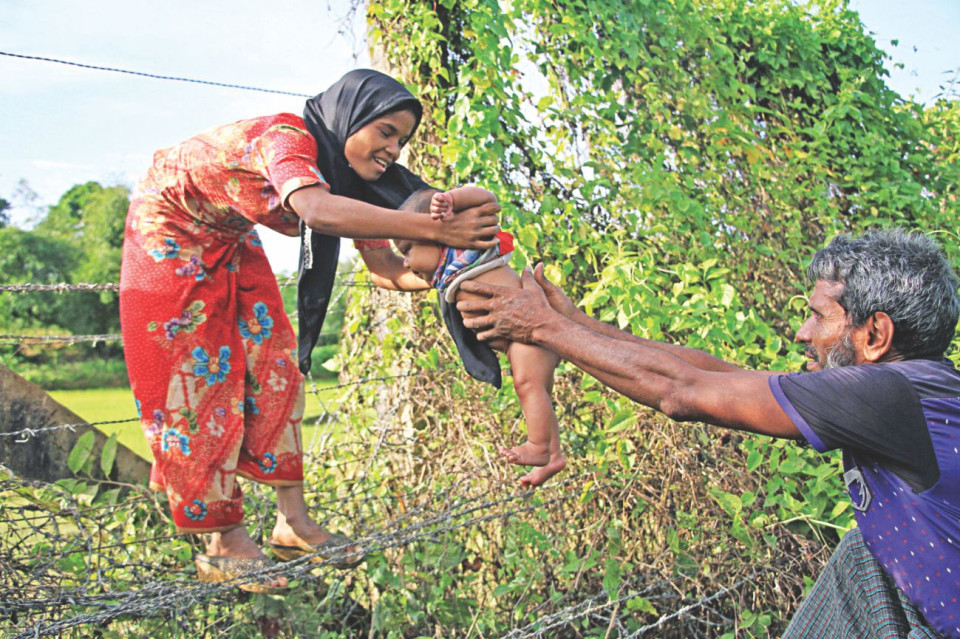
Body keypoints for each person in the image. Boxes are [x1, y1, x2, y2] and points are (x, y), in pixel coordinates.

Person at [456, 228, 960, 639]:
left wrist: (540, 328)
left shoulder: (887, 395)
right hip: (922, 601)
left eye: (818, 316)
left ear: (875, 335)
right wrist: (574, 325)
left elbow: (681, 391)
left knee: (862, 560)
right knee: (861, 557)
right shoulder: (913, 388)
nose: (803, 333)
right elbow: (720, 377)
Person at [119, 69, 500, 592]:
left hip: (229, 234)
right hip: (169, 227)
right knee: (192, 379)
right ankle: (222, 542)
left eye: (403, 141)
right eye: (386, 131)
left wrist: (448, 271)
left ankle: (291, 522)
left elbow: (387, 271)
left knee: (276, 363)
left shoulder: (347, 184)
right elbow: (317, 212)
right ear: (352, 116)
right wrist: (435, 228)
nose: (394, 148)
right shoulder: (287, 138)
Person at [394, 187, 565, 487]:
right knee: (537, 393)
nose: (406, 263)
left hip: (529, 331)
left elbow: (488, 200)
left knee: (528, 386)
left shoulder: (468, 246)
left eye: (407, 250)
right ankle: (553, 456)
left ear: (434, 232)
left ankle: (539, 447)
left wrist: (453, 200)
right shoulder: (444, 272)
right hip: (517, 342)